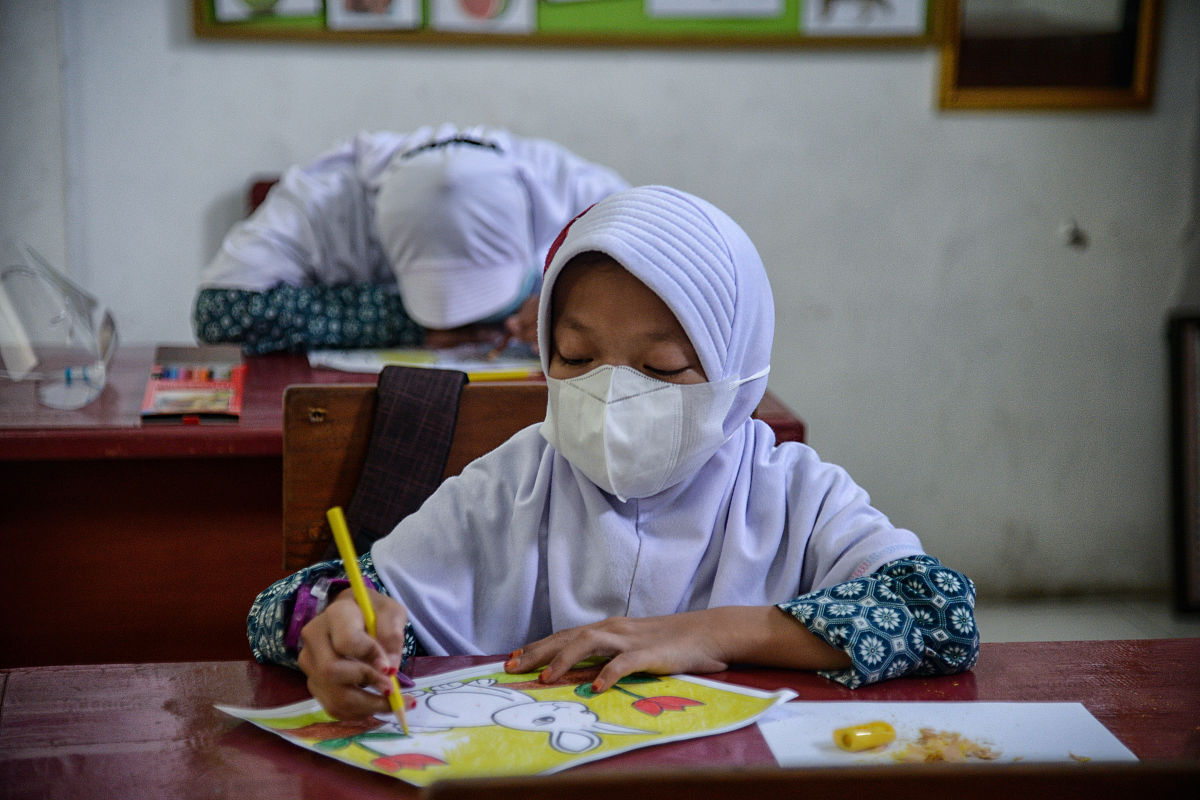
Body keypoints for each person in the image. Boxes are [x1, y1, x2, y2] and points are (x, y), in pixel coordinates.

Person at [247, 185, 978, 720]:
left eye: (661, 368)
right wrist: (338, 621)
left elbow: (940, 611)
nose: (611, 394)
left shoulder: (791, 494)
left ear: (738, 373)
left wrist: (707, 633)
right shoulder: (510, 487)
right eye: (575, 357)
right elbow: (278, 609)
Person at [193, 124, 628, 354]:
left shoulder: (577, 189)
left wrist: (564, 306)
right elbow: (220, 312)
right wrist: (401, 322)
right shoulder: (323, 200)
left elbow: (659, 288)